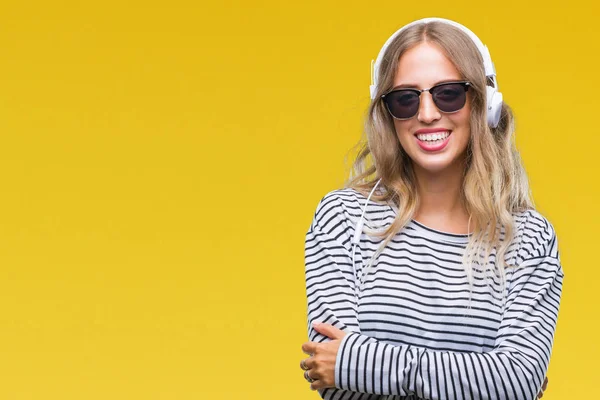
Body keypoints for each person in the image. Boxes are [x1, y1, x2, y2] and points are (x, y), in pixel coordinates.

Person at [299, 17, 563, 400]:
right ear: (388, 113)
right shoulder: (343, 219)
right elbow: (336, 383)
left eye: (448, 93)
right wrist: (482, 379)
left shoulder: (529, 239)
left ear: (483, 103)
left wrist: (361, 362)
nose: (426, 114)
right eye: (405, 98)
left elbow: (516, 381)